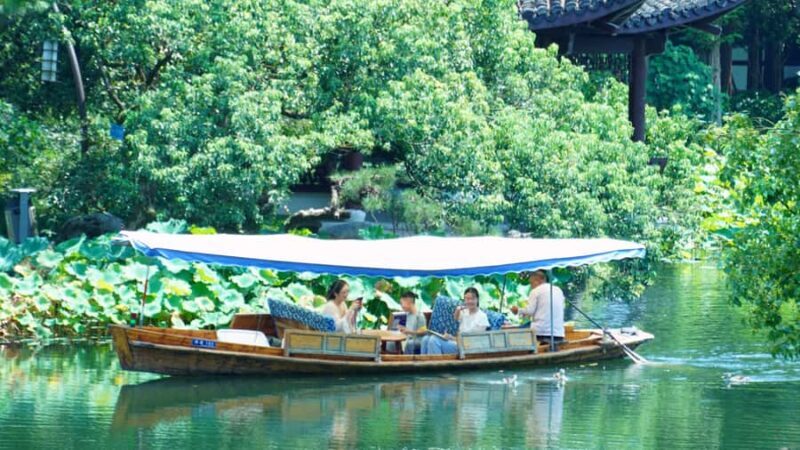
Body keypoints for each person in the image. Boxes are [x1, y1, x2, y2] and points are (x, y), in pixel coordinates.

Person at [422, 287, 489, 355]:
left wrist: (452, 338)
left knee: (434, 340)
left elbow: (474, 342)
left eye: (472, 299)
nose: (470, 301)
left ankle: (435, 365)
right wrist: (450, 337)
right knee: (425, 339)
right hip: (458, 342)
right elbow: (456, 318)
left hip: (467, 348)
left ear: (477, 299)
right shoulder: (465, 312)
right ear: (464, 300)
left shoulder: (482, 317)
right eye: (467, 299)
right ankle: (423, 364)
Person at [511, 270, 565, 345]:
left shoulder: (536, 291)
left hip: (542, 332)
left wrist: (518, 310)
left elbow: (530, 311)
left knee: (515, 333)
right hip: (559, 333)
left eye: (531, 283)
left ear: (538, 280)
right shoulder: (558, 290)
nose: (531, 286)